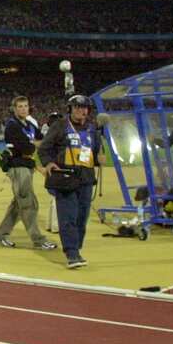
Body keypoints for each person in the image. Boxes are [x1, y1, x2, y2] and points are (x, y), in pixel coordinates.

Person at [39, 94, 103, 269]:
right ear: (70, 109)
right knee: (68, 217)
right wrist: (48, 163)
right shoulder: (60, 126)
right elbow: (44, 148)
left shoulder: (92, 129)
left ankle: (76, 248)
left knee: (82, 218)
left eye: (84, 108)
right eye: (77, 107)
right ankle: (72, 253)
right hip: (66, 177)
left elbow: (94, 154)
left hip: (86, 179)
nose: (81, 111)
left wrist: (99, 158)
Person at [0, 96, 56, 250]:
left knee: (18, 205)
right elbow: (27, 149)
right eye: (20, 106)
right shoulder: (12, 126)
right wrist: (34, 144)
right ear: (14, 108)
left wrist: (34, 145)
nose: (23, 109)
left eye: (25, 106)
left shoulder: (30, 125)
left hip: (26, 167)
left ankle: (0, 235)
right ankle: (38, 239)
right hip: (18, 168)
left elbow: (42, 142)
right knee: (29, 205)